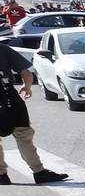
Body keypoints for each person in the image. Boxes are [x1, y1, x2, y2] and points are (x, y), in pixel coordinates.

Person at [0, 41, 70, 185]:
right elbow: (26, 73)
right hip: (9, 97)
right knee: (23, 135)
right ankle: (39, 172)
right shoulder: (3, 49)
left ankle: (1, 175)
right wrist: (27, 87)